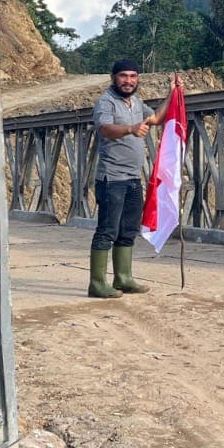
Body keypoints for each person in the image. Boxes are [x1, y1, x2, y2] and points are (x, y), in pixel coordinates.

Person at [88, 60, 182, 298]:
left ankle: (123, 278)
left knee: (128, 229)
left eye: (132, 76)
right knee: (107, 229)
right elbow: (105, 129)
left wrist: (172, 93)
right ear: (113, 78)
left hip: (132, 178)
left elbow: (156, 119)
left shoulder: (137, 102)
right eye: (123, 76)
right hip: (111, 178)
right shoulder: (106, 102)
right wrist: (130, 129)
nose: (128, 81)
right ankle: (97, 283)